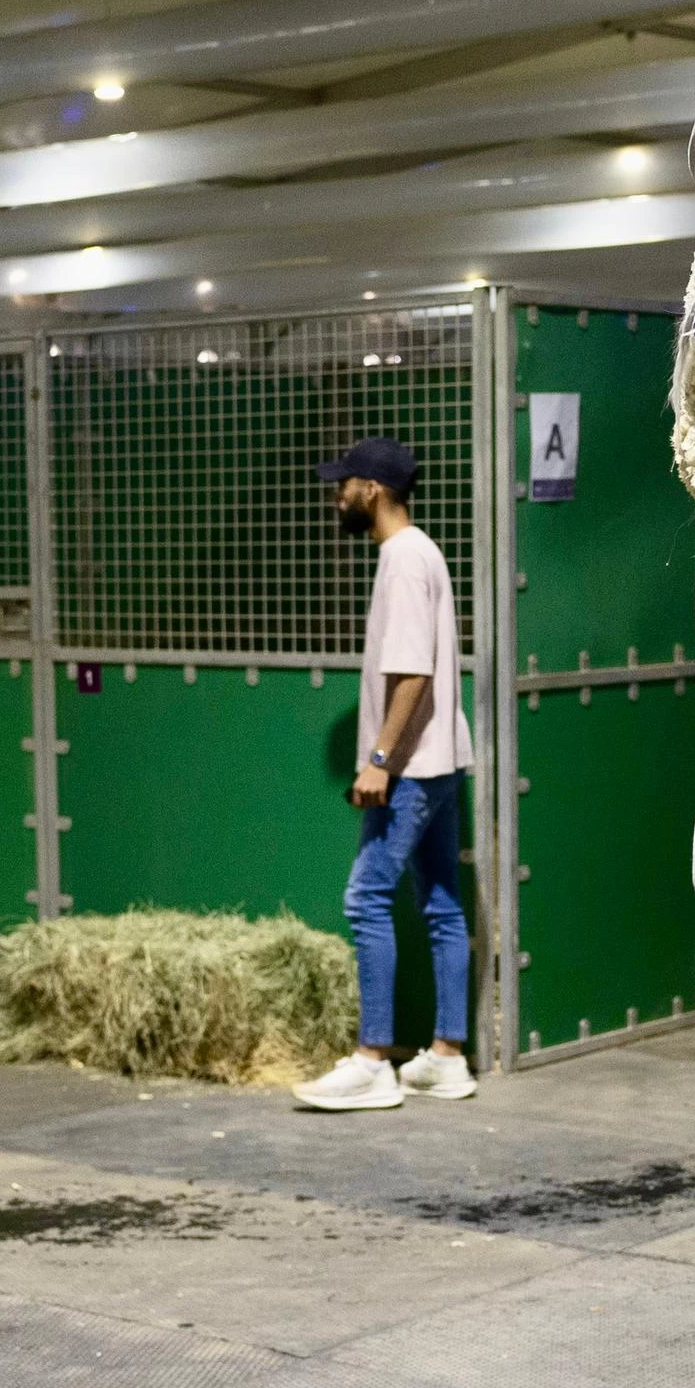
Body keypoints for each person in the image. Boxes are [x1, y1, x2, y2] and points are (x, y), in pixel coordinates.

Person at [292, 435, 475, 1111]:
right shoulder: (422, 552)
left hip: (409, 769)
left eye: (344, 484)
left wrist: (378, 762)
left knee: (366, 898)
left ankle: (373, 1061)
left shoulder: (401, 560)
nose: (336, 495)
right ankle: (446, 1057)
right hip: (440, 760)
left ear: (372, 490)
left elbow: (411, 674)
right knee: (442, 903)